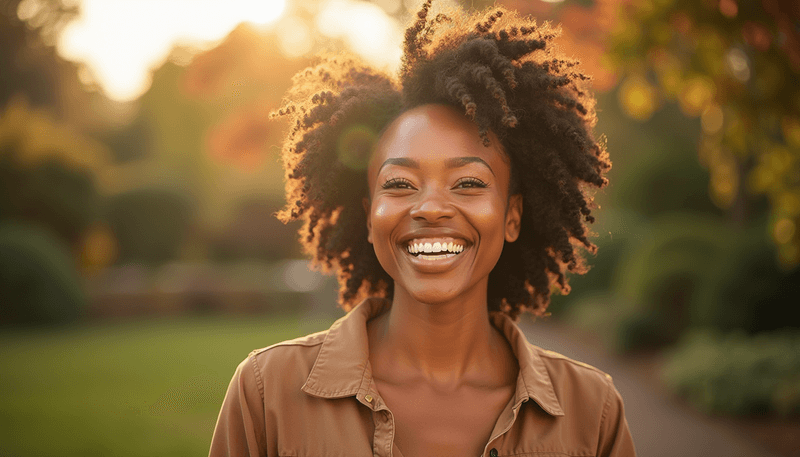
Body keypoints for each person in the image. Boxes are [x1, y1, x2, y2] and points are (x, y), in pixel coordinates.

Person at [209, 1, 636, 456]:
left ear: (512, 216)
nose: (431, 206)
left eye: (469, 182)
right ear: (370, 218)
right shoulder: (265, 394)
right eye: (400, 184)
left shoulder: (593, 413)